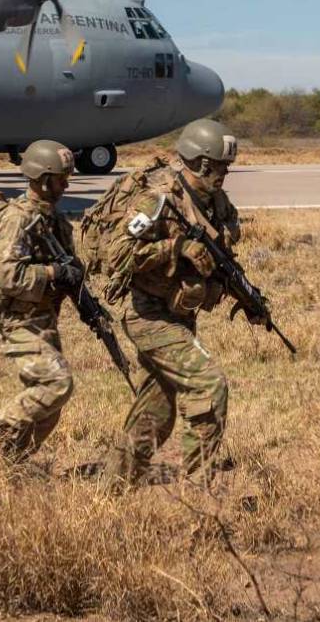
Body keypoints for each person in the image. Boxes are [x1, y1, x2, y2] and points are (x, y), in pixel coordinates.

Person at [100, 118, 255, 491]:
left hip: (181, 318)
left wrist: (242, 296)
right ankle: (199, 491)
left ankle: (111, 493)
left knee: (157, 411)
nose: (225, 174)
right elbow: (116, 256)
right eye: (221, 167)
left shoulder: (214, 204)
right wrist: (177, 248)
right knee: (209, 385)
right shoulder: (158, 200)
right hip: (149, 316)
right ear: (202, 164)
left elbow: (220, 260)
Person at [0, 140, 80, 460]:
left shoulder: (54, 220)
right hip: (15, 319)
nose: (66, 184)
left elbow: (69, 267)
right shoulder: (15, 220)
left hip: (43, 317)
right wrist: (52, 273)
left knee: (49, 409)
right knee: (57, 385)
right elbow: (7, 276)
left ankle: (5, 463)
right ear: (43, 179)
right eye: (61, 178)